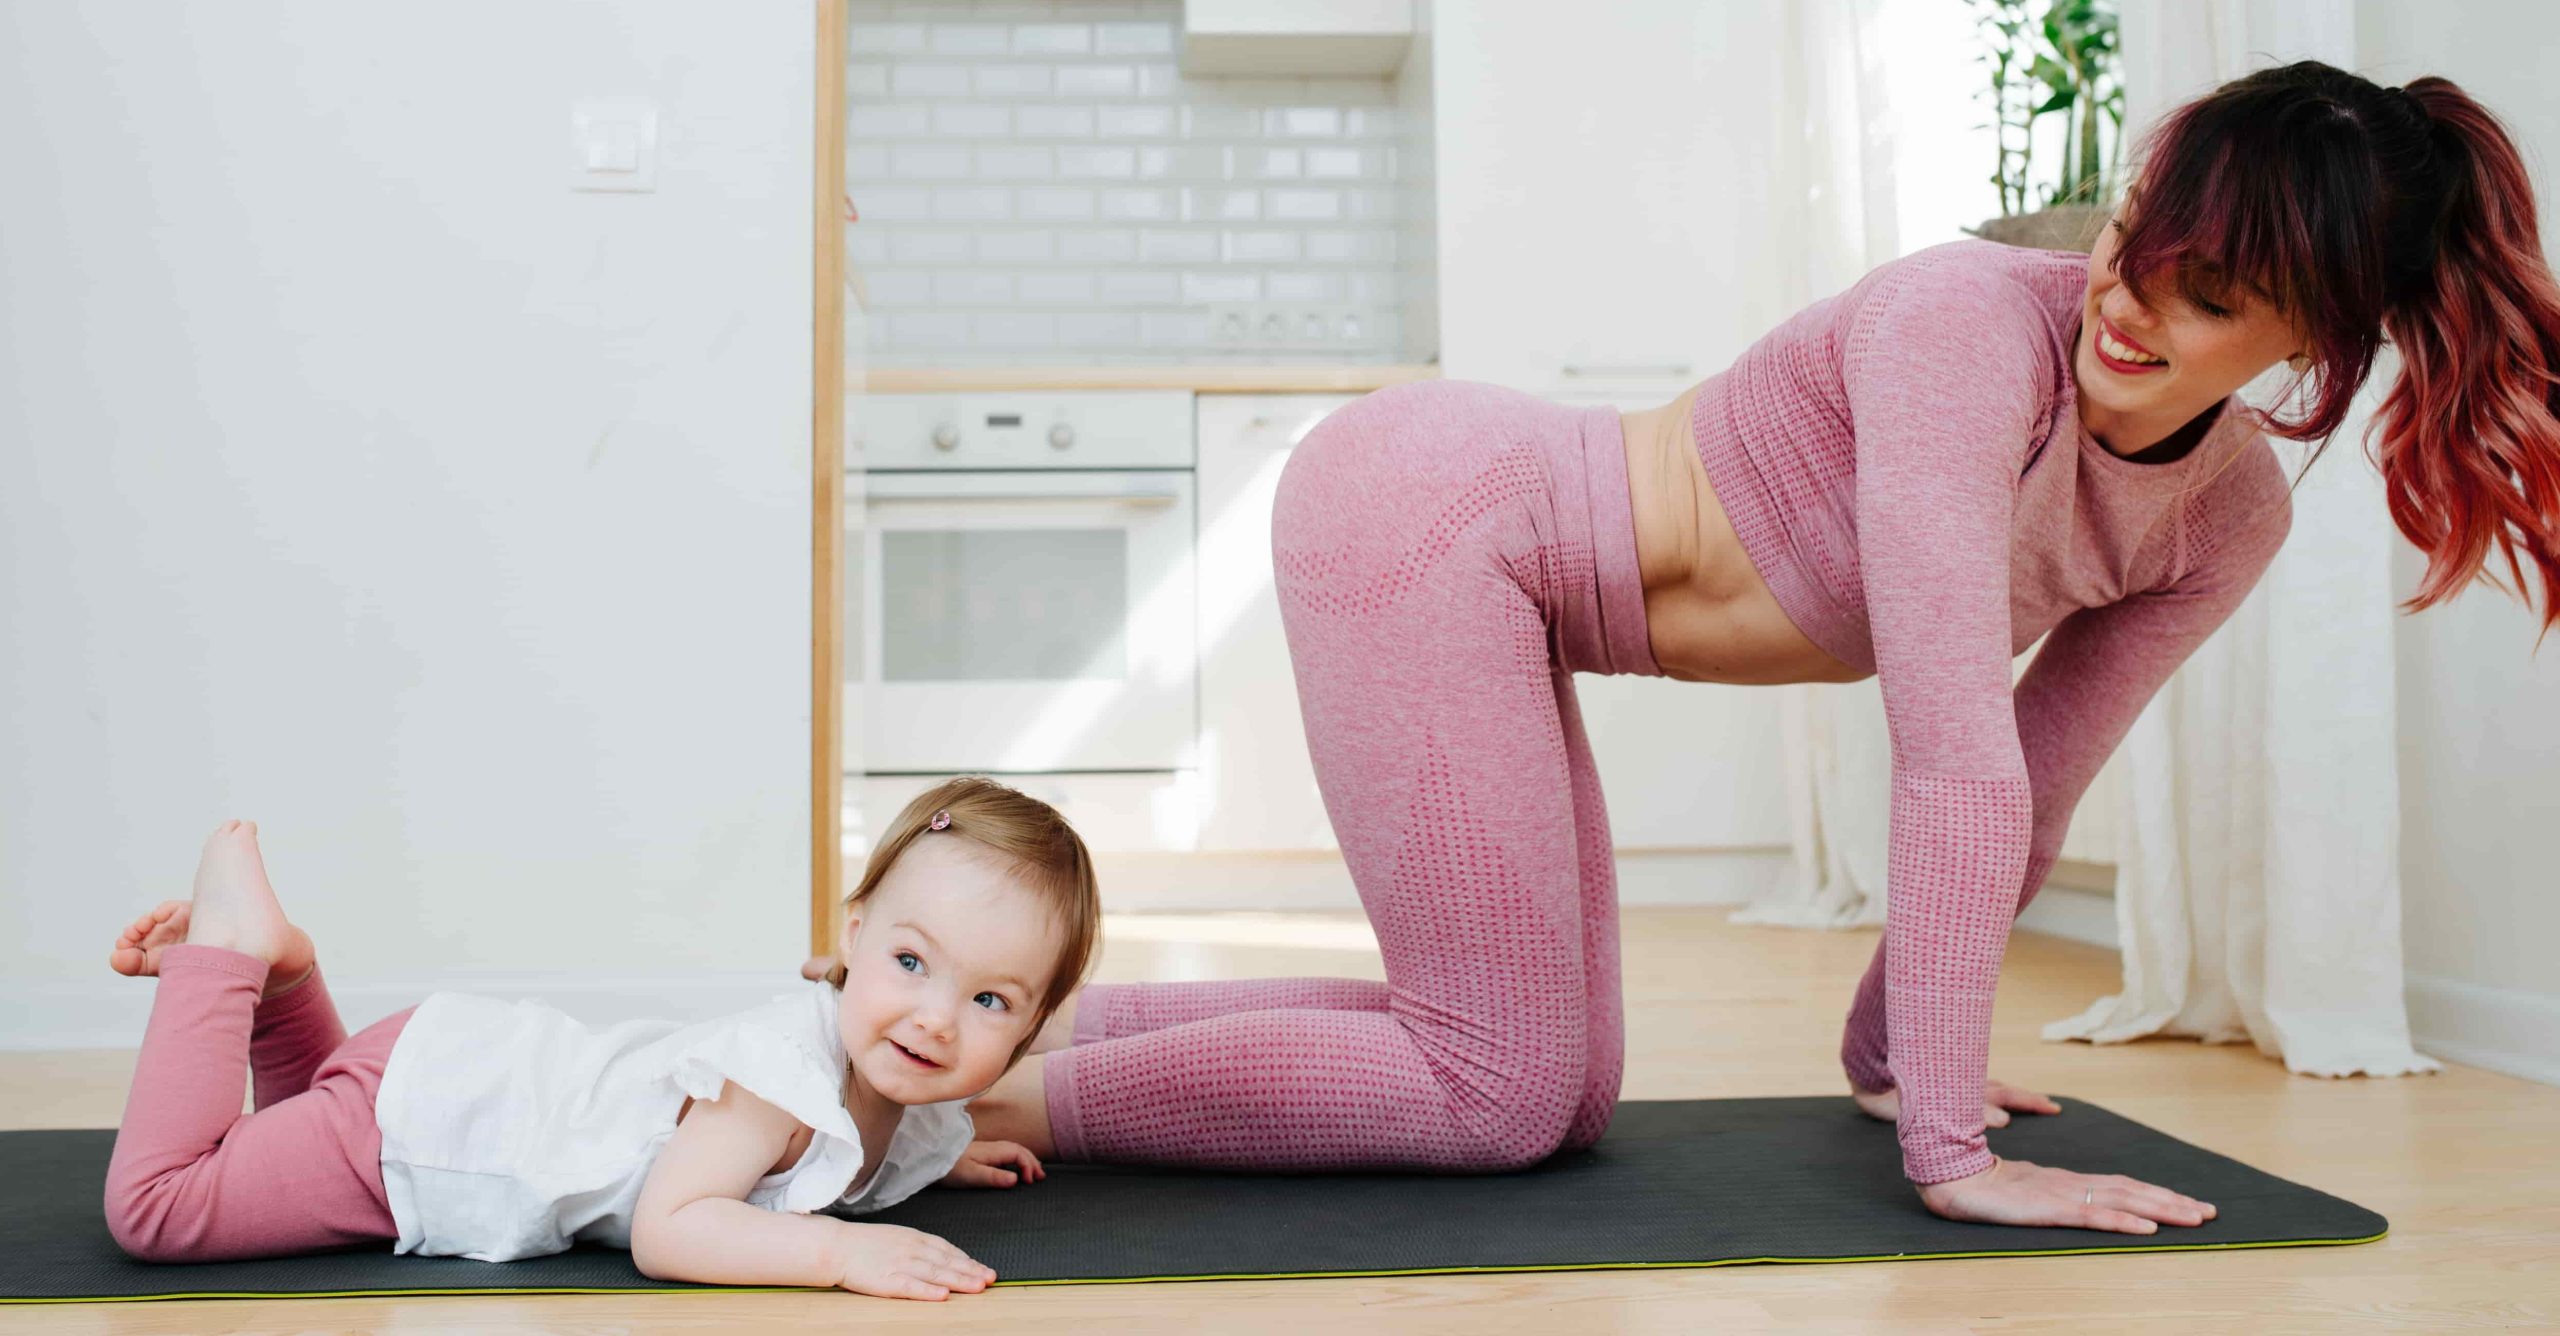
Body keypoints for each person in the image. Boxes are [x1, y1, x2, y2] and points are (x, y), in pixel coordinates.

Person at [946, 61, 2560, 1236]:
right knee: (1499, 1093)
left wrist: (1883, 1053)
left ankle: (1020, 1014)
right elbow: (1950, 753)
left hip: (1518, 589)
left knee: (1559, 1093)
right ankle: (948, 1097)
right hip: (1439, 516)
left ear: (2316, 340)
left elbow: (2038, 777)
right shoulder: (1964, 326)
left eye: (2203, 295)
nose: (2124, 303)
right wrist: (1948, 1149)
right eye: (2133, 231)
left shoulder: (2227, 522)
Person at [103, 777, 1101, 1302]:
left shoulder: (907, 1094)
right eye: (913, 964)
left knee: (282, 1131)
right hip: (427, 1134)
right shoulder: (776, 1079)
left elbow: (857, 1148)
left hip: (449, 1073)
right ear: (853, 934)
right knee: (162, 1208)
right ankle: (226, 953)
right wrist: (842, 1255)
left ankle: (284, 977)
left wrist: (937, 1158)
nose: (934, 1016)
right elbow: (671, 1229)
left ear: (1029, 1024)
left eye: (989, 1001)